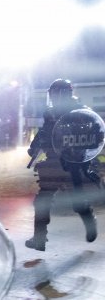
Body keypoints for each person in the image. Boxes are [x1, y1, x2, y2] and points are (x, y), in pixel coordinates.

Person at [25, 79, 99, 251]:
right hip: (53, 162)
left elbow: (95, 134)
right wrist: (34, 147)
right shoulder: (51, 113)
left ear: (62, 93)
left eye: (55, 93)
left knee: (78, 201)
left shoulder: (81, 112)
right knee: (43, 200)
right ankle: (39, 239)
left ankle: (90, 225)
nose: (53, 97)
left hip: (74, 163)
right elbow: (45, 132)